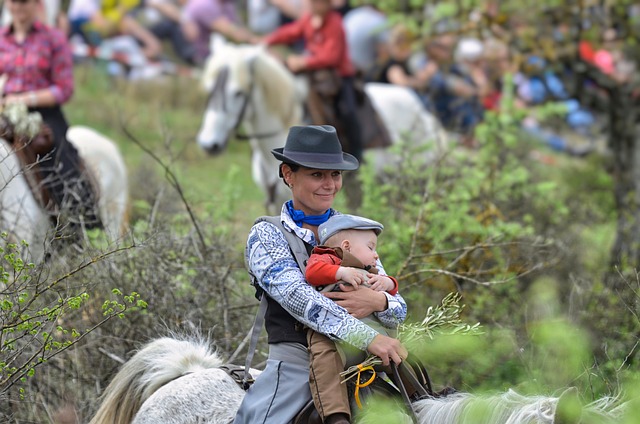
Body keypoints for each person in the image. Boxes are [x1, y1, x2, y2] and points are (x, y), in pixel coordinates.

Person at [234, 125, 408, 424]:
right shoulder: (266, 235)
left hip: (362, 367)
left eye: (335, 175)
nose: (329, 184)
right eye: (317, 174)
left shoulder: (351, 230)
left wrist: (378, 301)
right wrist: (369, 337)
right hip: (295, 369)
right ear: (288, 174)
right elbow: (299, 300)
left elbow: (399, 309)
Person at [0, 0, 100, 233]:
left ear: (37, 5)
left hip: (43, 115)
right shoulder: (1, 39)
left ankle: (77, 225)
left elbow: (64, 89)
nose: (19, 8)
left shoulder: (53, 39)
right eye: (14, 2)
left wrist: (26, 99)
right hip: (4, 111)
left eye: (25, 2)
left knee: (61, 163)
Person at [305, 213, 402, 423]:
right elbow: (312, 273)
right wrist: (340, 272)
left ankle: (418, 392)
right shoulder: (326, 257)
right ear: (347, 246)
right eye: (371, 248)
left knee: (398, 351)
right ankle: (336, 415)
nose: (376, 255)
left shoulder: (370, 269)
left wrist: (387, 285)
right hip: (328, 331)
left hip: (368, 326)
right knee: (325, 363)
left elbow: (394, 289)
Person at [262, 0, 364, 162]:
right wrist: (268, 40)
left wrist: (304, 62)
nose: (316, 5)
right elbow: (291, 32)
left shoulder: (335, 22)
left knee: (348, 111)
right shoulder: (309, 19)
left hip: (339, 75)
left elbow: (332, 56)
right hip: (315, 74)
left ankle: (357, 152)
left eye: (320, 3)